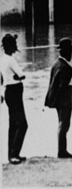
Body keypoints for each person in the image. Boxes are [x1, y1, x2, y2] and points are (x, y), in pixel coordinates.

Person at [44, 37, 72, 159]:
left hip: (57, 99)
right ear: (67, 52)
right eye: (70, 51)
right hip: (65, 99)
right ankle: (62, 151)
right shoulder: (67, 68)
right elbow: (62, 86)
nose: (71, 54)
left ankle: (62, 150)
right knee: (64, 124)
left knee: (61, 123)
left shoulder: (56, 64)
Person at [1, 33, 27, 164]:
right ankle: (14, 153)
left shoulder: (2, 59)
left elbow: (1, 79)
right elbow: (22, 75)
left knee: (13, 125)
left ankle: (10, 154)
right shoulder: (11, 60)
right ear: (10, 47)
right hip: (15, 92)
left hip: (8, 92)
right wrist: (18, 77)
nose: (16, 47)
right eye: (14, 44)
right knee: (23, 124)